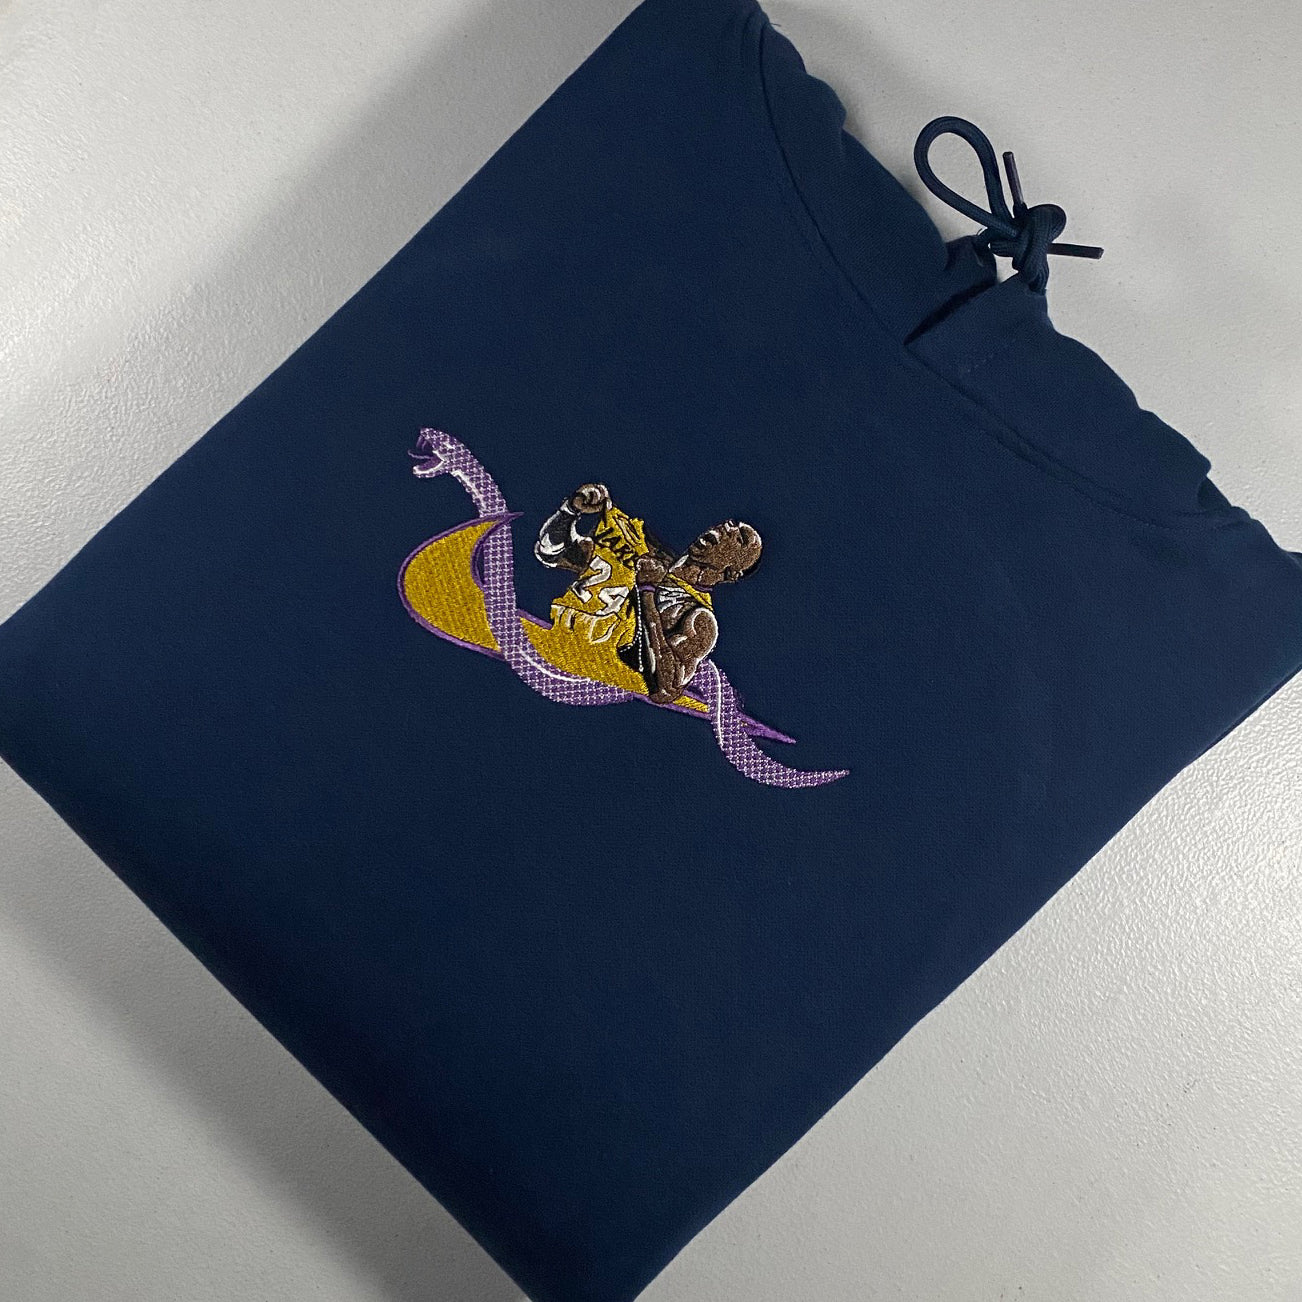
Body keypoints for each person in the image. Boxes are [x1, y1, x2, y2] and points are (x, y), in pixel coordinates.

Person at [535, 483, 762, 703]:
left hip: (585, 683)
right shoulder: (641, 548)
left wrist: (647, 592)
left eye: (740, 538)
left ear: (733, 572)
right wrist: (570, 511)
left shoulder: (699, 619)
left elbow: (665, 690)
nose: (728, 529)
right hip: (547, 646)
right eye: (731, 524)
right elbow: (551, 553)